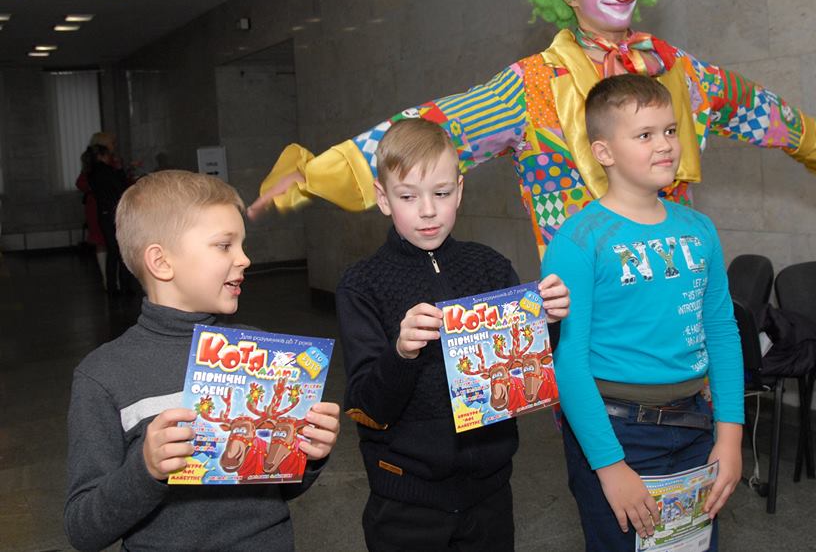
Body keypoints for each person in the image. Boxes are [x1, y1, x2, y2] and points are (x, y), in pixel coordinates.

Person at [248, 0, 816, 261]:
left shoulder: (675, 69)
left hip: (675, 288)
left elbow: (754, 106)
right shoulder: (534, 86)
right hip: (586, 303)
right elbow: (431, 127)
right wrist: (314, 176)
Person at [64, 170, 341, 552]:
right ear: (161, 262)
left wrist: (308, 455)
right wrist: (145, 469)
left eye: (242, 244)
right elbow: (83, 529)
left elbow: (278, 489)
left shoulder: (261, 356)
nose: (245, 259)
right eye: (224, 245)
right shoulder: (103, 376)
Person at [335, 119, 569, 551]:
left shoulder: (490, 267)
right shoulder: (362, 285)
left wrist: (547, 323)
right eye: (408, 196)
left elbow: (524, 372)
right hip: (406, 499)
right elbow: (367, 407)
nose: (428, 210)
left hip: (490, 492)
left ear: (459, 191)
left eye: (441, 193)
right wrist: (400, 354)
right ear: (383, 199)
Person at [540, 74, 743, 550]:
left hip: (696, 425)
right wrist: (609, 465)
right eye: (645, 135)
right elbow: (568, 362)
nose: (665, 145)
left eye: (670, 130)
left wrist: (730, 436)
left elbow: (721, 331)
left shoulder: (699, 229)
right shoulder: (579, 240)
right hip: (616, 431)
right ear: (604, 152)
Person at [86, 135, 135, 294]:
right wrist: (120, 170)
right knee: (120, 251)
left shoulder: (91, 172)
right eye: (107, 155)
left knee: (112, 252)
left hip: (103, 213)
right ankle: (125, 286)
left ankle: (112, 286)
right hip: (113, 213)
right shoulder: (107, 171)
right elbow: (121, 187)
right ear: (101, 156)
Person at [76, 132, 112, 289]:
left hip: (104, 204)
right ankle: (107, 278)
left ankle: (110, 278)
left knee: (107, 241)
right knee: (100, 240)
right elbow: (81, 183)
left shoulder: (107, 160)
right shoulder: (92, 162)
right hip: (97, 205)